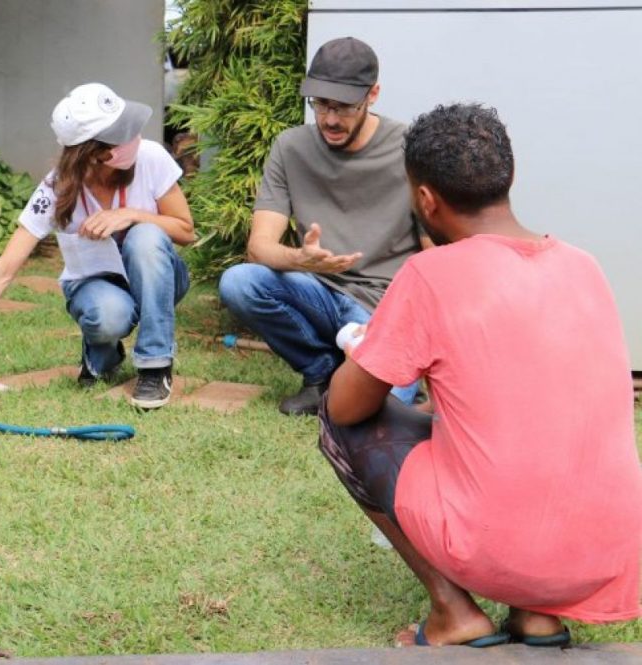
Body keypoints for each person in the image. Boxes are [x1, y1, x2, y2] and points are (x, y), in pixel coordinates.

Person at [320, 103, 642, 647]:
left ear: (425, 199)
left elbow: (348, 407)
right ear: (509, 178)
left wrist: (362, 352)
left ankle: (453, 612)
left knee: (340, 425)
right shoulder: (584, 265)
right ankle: (537, 615)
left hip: (502, 546)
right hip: (607, 550)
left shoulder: (430, 274)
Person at [0, 83, 193, 409]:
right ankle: (102, 349)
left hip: (159, 278)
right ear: (94, 153)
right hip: (102, 287)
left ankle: (154, 365)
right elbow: (4, 269)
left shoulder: (150, 156)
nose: (134, 136)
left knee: (145, 235)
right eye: (122, 132)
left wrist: (130, 215)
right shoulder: (56, 188)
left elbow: (185, 230)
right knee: (108, 316)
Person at [218, 37, 426, 416]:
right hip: (317, 289)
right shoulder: (290, 147)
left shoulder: (410, 148)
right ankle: (320, 373)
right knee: (239, 282)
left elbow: (436, 254)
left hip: (384, 308)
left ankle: (366, 371)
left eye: (343, 106)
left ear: (373, 95)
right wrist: (301, 258)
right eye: (320, 104)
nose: (330, 118)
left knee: (385, 412)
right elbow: (259, 247)